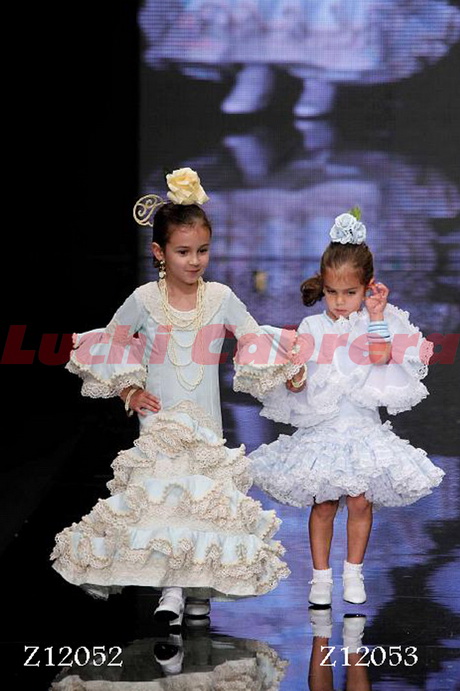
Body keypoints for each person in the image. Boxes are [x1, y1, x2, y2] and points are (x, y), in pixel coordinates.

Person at [51, 167, 301, 626]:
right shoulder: (145, 299)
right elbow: (112, 340)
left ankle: (199, 587)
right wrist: (129, 387)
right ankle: (171, 587)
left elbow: (251, 336)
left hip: (205, 419)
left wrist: (290, 367)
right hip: (161, 419)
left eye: (202, 250)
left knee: (202, 497)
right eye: (183, 251)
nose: (194, 260)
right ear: (159, 252)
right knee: (166, 494)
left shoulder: (221, 296)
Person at [248, 209, 444, 606]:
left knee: (359, 500)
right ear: (323, 287)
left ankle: (353, 573)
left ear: (366, 287)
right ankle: (320, 579)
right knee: (323, 502)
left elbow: (380, 356)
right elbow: (294, 381)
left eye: (349, 293)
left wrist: (374, 316)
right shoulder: (311, 328)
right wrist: (295, 374)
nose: (339, 302)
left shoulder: (377, 319)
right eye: (333, 292)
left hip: (361, 426)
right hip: (323, 426)